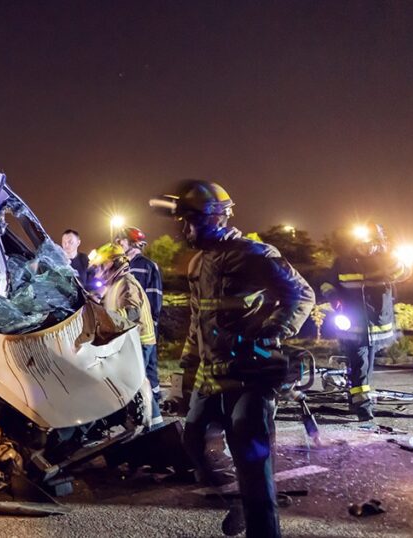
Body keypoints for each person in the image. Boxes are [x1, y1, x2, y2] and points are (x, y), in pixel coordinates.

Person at [150, 180, 314, 538]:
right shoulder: (198, 263)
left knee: (252, 460)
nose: (184, 230)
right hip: (211, 374)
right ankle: (237, 499)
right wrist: (187, 371)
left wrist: (271, 333)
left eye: (189, 221)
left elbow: (301, 294)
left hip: (251, 375)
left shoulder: (254, 254)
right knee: (194, 441)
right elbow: (198, 319)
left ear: (214, 218)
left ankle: (262, 528)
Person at [320, 223, 409, 420]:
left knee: (365, 362)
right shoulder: (343, 262)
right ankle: (362, 404)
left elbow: (403, 274)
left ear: (379, 243)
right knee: (359, 360)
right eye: (363, 243)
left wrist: (393, 260)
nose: (367, 247)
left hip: (377, 322)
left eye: (372, 243)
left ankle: (356, 399)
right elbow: (326, 284)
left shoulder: (387, 260)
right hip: (353, 322)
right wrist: (334, 298)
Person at [90, 243, 160, 425]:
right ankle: (153, 423)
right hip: (131, 341)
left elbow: (133, 312)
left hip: (140, 342)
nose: (98, 272)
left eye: (100, 266)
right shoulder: (116, 284)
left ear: (111, 264)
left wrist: (105, 318)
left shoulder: (127, 284)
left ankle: (155, 426)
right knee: (135, 383)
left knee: (135, 384)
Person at [114, 226, 164, 418]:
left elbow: (151, 299)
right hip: (142, 329)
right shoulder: (129, 265)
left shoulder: (144, 266)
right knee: (148, 371)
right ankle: (155, 410)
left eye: (121, 241)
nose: (119, 244)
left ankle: (151, 412)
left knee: (141, 373)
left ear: (131, 243)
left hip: (141, 330)